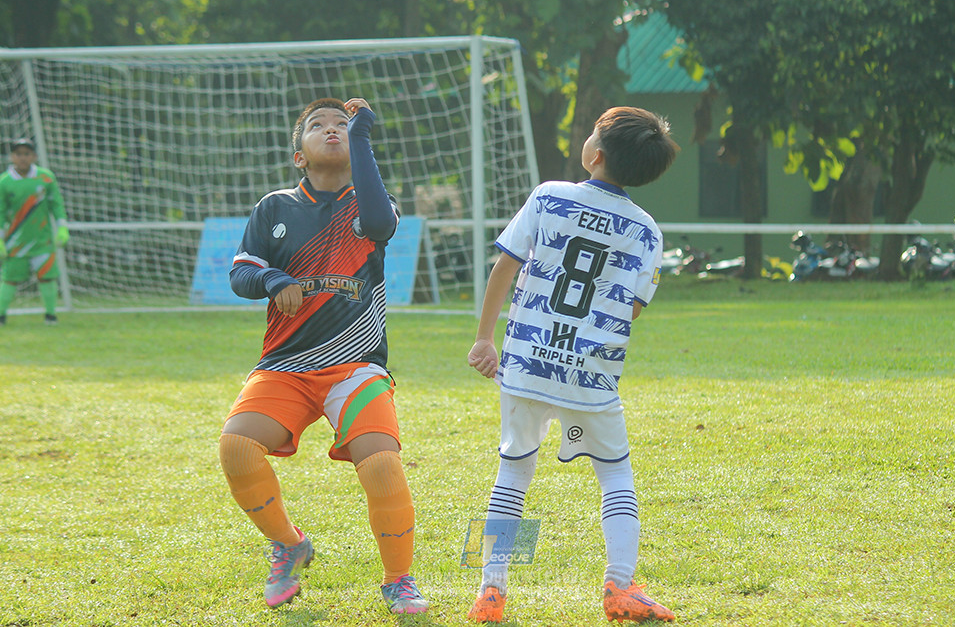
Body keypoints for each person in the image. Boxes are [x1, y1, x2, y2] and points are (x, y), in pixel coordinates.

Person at [466, 106, 679, 624]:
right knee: (615, 474)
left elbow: (506, 265)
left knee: (513, 471)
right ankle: (620, 586)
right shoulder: (647, 231)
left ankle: (491, 590)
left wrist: (485, 338)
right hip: (590, 375)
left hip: (526, 362)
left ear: (595, 153)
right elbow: (631, 309)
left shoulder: (549, 196)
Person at [219, 97, 429, 614]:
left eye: (342, 124)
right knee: (237, 447)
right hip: (285, 366)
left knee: (381, 463)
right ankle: (289, 544)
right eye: (318, 125)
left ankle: (398, 581)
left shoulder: (371, 202)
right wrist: (272, 277)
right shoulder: (274, 207)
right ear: (299, 156)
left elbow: (380, 225)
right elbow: (241, 273)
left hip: (356, 367)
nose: (332, 129)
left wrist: (362, 137)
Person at [0, 138, 69, 326]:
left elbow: (57, 204)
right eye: (18, 154)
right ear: (12, 157)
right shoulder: (4, 182)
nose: (23, 158)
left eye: (27, 154)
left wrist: (62, 227)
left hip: (42, 240)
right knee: (10, 279)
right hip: (15, 241)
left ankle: (51, 315)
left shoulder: (46, 178)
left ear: (34, 156)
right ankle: (1, 315)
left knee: (47, 277)